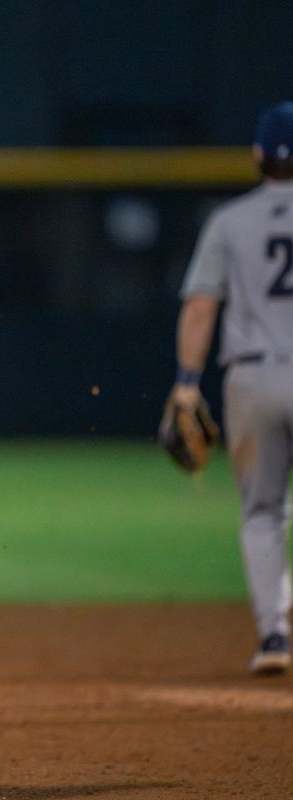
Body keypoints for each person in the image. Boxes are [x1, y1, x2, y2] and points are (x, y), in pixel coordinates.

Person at [170, 101, 293, 677]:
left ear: (257, 156)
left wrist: (187, 385)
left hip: (254, 376)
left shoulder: (229, 221)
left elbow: (200, 307)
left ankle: (274, 635)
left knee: (262, 512)